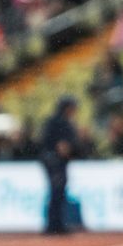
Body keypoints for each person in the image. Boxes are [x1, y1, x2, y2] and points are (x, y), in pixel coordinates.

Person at [39, 96, 80, 235]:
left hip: (52, 160)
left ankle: (55, 224)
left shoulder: (53, 122)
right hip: (55, 161)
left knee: (57, 192)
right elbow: (62, 146)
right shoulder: (61, 123)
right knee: (57, 192)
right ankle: (54, 225)